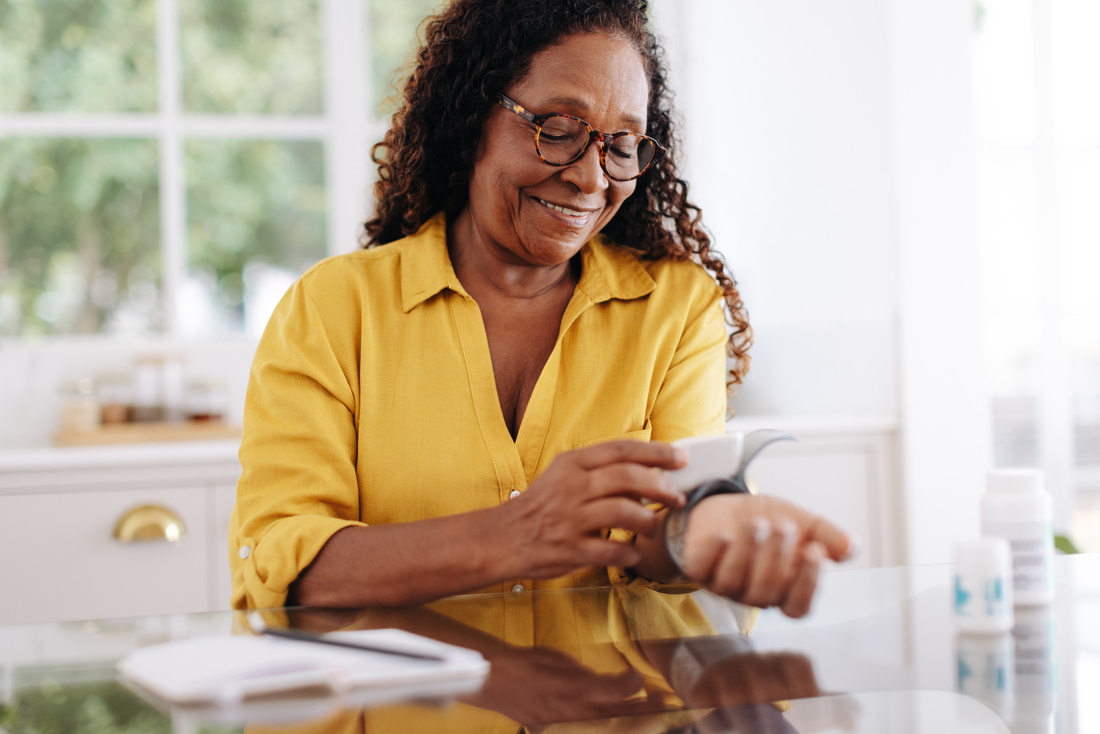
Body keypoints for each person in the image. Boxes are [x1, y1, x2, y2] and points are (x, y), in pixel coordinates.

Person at [228, 0, 851, 616]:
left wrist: (707, 530)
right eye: (557, 130)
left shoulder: (674, 307)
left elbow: (664, 526)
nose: (591, 179)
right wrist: (512, 535)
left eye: (623, 144)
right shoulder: (335, 309)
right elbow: (283, 561)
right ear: (472, 116)